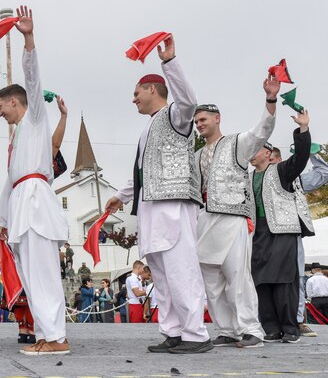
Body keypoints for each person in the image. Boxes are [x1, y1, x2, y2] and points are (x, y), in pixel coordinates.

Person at [105, 35, 211, 354]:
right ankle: (173, 331)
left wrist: (170, 63)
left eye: (136, 92)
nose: (133, 99)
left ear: (152, 88)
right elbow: (140, 172)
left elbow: (190, 102)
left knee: (181, 270)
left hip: (174, 205)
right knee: (161, 274)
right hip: (150, 208)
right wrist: (121, 197)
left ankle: (196, 334)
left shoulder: (176, 117)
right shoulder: (146, 129)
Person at [0, 6, 70, 356]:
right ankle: (45, 333)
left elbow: (33, 80)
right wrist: (2, 220)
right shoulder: (16, 137)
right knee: (30, 275)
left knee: (43, 274)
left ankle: (57, 338)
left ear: (14, 101)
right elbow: (9, 183)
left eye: (0, 105)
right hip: (22, 205)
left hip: (37, 201)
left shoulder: (36, 119)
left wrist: (28, 40)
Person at [192, 80, 278, 349]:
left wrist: (270, 100)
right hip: (205, 220)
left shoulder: (237, 144)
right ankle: (228, 329)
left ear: (217, 119)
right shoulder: (195, 156)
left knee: (237, 276)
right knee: (211, 280)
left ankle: (252, 330)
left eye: (203, 119)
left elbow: (262, 131)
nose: (199, 125)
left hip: (232, 218)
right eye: (196, 122)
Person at [250, 110, 313, 344]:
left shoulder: (281, 170)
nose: (250, 154)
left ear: (267, 153)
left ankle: (290, 329)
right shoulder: (247, 178)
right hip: (257, 233)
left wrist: (303, 130)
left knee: (283, 281)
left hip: (282, 231)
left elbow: (301, 158)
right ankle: (272, 328)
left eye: (255, 149)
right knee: (260, 281)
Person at [294, 154, 328, 336]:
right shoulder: (254, 179)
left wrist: (309, 151)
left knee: (297, 277)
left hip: (291, 234)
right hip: (262, 237)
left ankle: (298, 321)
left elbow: (324, 172)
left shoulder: (293, 180)